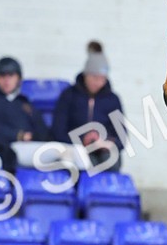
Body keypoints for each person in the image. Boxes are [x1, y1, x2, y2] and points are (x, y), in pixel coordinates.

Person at [50, 41, 125, 171]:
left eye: (102, 78)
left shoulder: (113, 100)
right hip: (75, 149)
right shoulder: (69, 96)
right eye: (95, 77)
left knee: (110, 161)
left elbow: (121, 137)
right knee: (81, 162)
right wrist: (82, 140)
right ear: (86, 75)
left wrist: (105, 141)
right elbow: (58, 131)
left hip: (103, 152)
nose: (99, 83)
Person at [0, 56, 50, 172]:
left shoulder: (25, 103)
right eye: (2, 76)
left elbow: (43, 131)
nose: (7, 80)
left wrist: (33, 136)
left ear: (19, 78)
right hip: (9, 150)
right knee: (61, 152)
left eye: (11, 75)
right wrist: (20, 135)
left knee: (64, 152)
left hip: (34, 146)